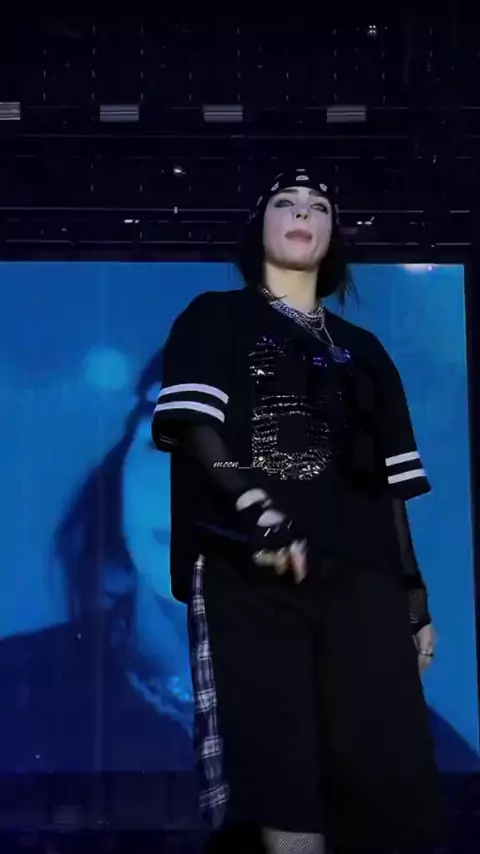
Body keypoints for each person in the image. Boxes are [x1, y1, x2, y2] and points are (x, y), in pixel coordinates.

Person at [151, 168, 447, 852]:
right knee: (279, 770)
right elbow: (198, 429)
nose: (302, 213)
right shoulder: (216, 316)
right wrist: (256, 507)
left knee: (380, 769)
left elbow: (387, 484)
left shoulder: (366, 351)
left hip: (362, 576)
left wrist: (413, 596)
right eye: (285, 203)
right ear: (259, 226)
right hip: (252, 572)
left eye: (318, 206)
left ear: (333, 234)